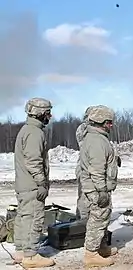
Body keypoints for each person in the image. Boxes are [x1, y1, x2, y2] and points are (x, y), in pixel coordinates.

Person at [13, 98, 55, 268]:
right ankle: (30, 256)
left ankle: (22, 251)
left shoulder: (27, 130)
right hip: (32, 186)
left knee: (24, 217)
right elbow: (33, 161)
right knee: (33, 219)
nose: (50, 116)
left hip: (24, 185)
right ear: (39, 113)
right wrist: (42, 183)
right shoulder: (34, 133)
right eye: (47, 113)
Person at [79, 105, 119, 267]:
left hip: (97, 187)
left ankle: (100, 247)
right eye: (109, 123)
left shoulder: (97, 138)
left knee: (103, 217)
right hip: (97, 189)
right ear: (100, 122)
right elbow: (96, 170)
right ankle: (91, 254)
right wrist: (101, 191)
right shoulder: (96, 141)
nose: (111, 126)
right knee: (98, 218)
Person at [75, 106, 95, 220]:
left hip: (91, 166)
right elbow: (86, 147)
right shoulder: (84, 128)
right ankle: (82, 223)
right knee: (84, 197)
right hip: (84, 167)